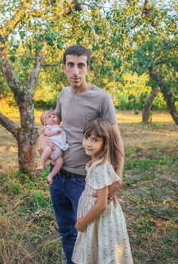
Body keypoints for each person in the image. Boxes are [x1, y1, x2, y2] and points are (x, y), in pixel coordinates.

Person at [39, 45, 124, 264]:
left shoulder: (102, 99)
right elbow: (52, 121)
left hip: (84, 181)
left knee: (85, 234)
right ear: (64, 68)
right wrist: (41, 138)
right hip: (58, 176)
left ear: (87, 68)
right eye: (71, 65)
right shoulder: (64, 93)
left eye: (81, 65)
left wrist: (118, 178)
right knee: (67, 231)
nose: (75, 71)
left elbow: (116, 143)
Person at [72, 118, 133, 264]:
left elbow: (101, 204)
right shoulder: (95, 163)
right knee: (94, 252)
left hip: (100, 220)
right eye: (86, 137)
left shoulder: (100, 168)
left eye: (95, 140)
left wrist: (83, 222)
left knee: (104, 255)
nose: (88, 143)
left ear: (105, 144)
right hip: (95, 220)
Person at [36, 110, 68, 184]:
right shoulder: (48, 127)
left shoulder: (58, 126)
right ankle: (42, 164)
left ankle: (50, 175)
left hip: (58, 150)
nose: (53, 116)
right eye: (49, 116)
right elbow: (47, 133)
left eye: (54, 115)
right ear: (45, 123)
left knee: (60, 162)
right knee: (47, 150)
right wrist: (56, 132)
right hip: (52, 146)